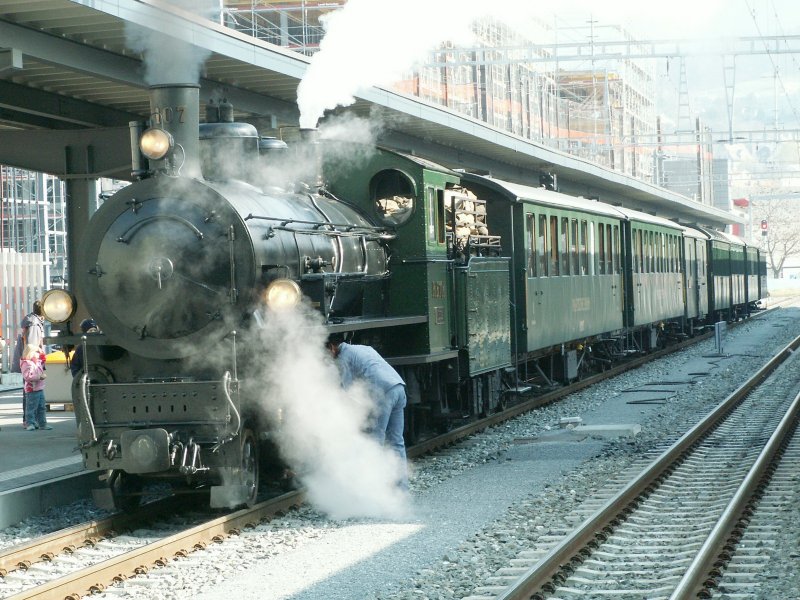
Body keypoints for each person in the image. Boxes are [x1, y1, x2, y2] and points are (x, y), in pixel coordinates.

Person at [326, 334, 408, 488]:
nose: (328, 360)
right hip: (398, 388)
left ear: (332, 347)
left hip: (383, 395)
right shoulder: (363, 348)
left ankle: (376, 491)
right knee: (397, 442)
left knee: (375, 443)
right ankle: (401, 490)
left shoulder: (343, 359)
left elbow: (349, 393)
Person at [16, 300, 45, 428]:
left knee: (30, 394)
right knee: (31, 394)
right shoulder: (34, 324)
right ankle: (30, 422)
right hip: (33, 362)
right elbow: (32, 345)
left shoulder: (32, 321)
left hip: (31, 361)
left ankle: (31, 421)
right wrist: (37, 359)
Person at [20, 343, 51, 431]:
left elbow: (43, 357)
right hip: (32, 388)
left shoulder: (37, 362)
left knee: (41, 407)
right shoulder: (26, 363)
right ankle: (30, 423)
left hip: (39, 387)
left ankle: (42, 424)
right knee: (31, 408)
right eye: (36, 352)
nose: (38, 354)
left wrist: (41, 352)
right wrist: (39, 377)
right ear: (31, 353)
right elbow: (27, 376)